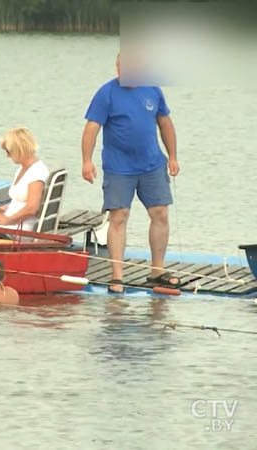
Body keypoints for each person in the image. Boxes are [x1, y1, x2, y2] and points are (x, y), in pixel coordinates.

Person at [81, 54, 181, 293]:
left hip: (152, 165)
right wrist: (87, 161)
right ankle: (117, 276)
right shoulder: (106, 93)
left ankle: (157, 271)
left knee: (160, 213)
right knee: (119, 217)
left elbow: (165, 123)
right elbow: (91, 129)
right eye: (120, 68)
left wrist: (173, 156)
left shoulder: (152, 90)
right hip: (119, 168)